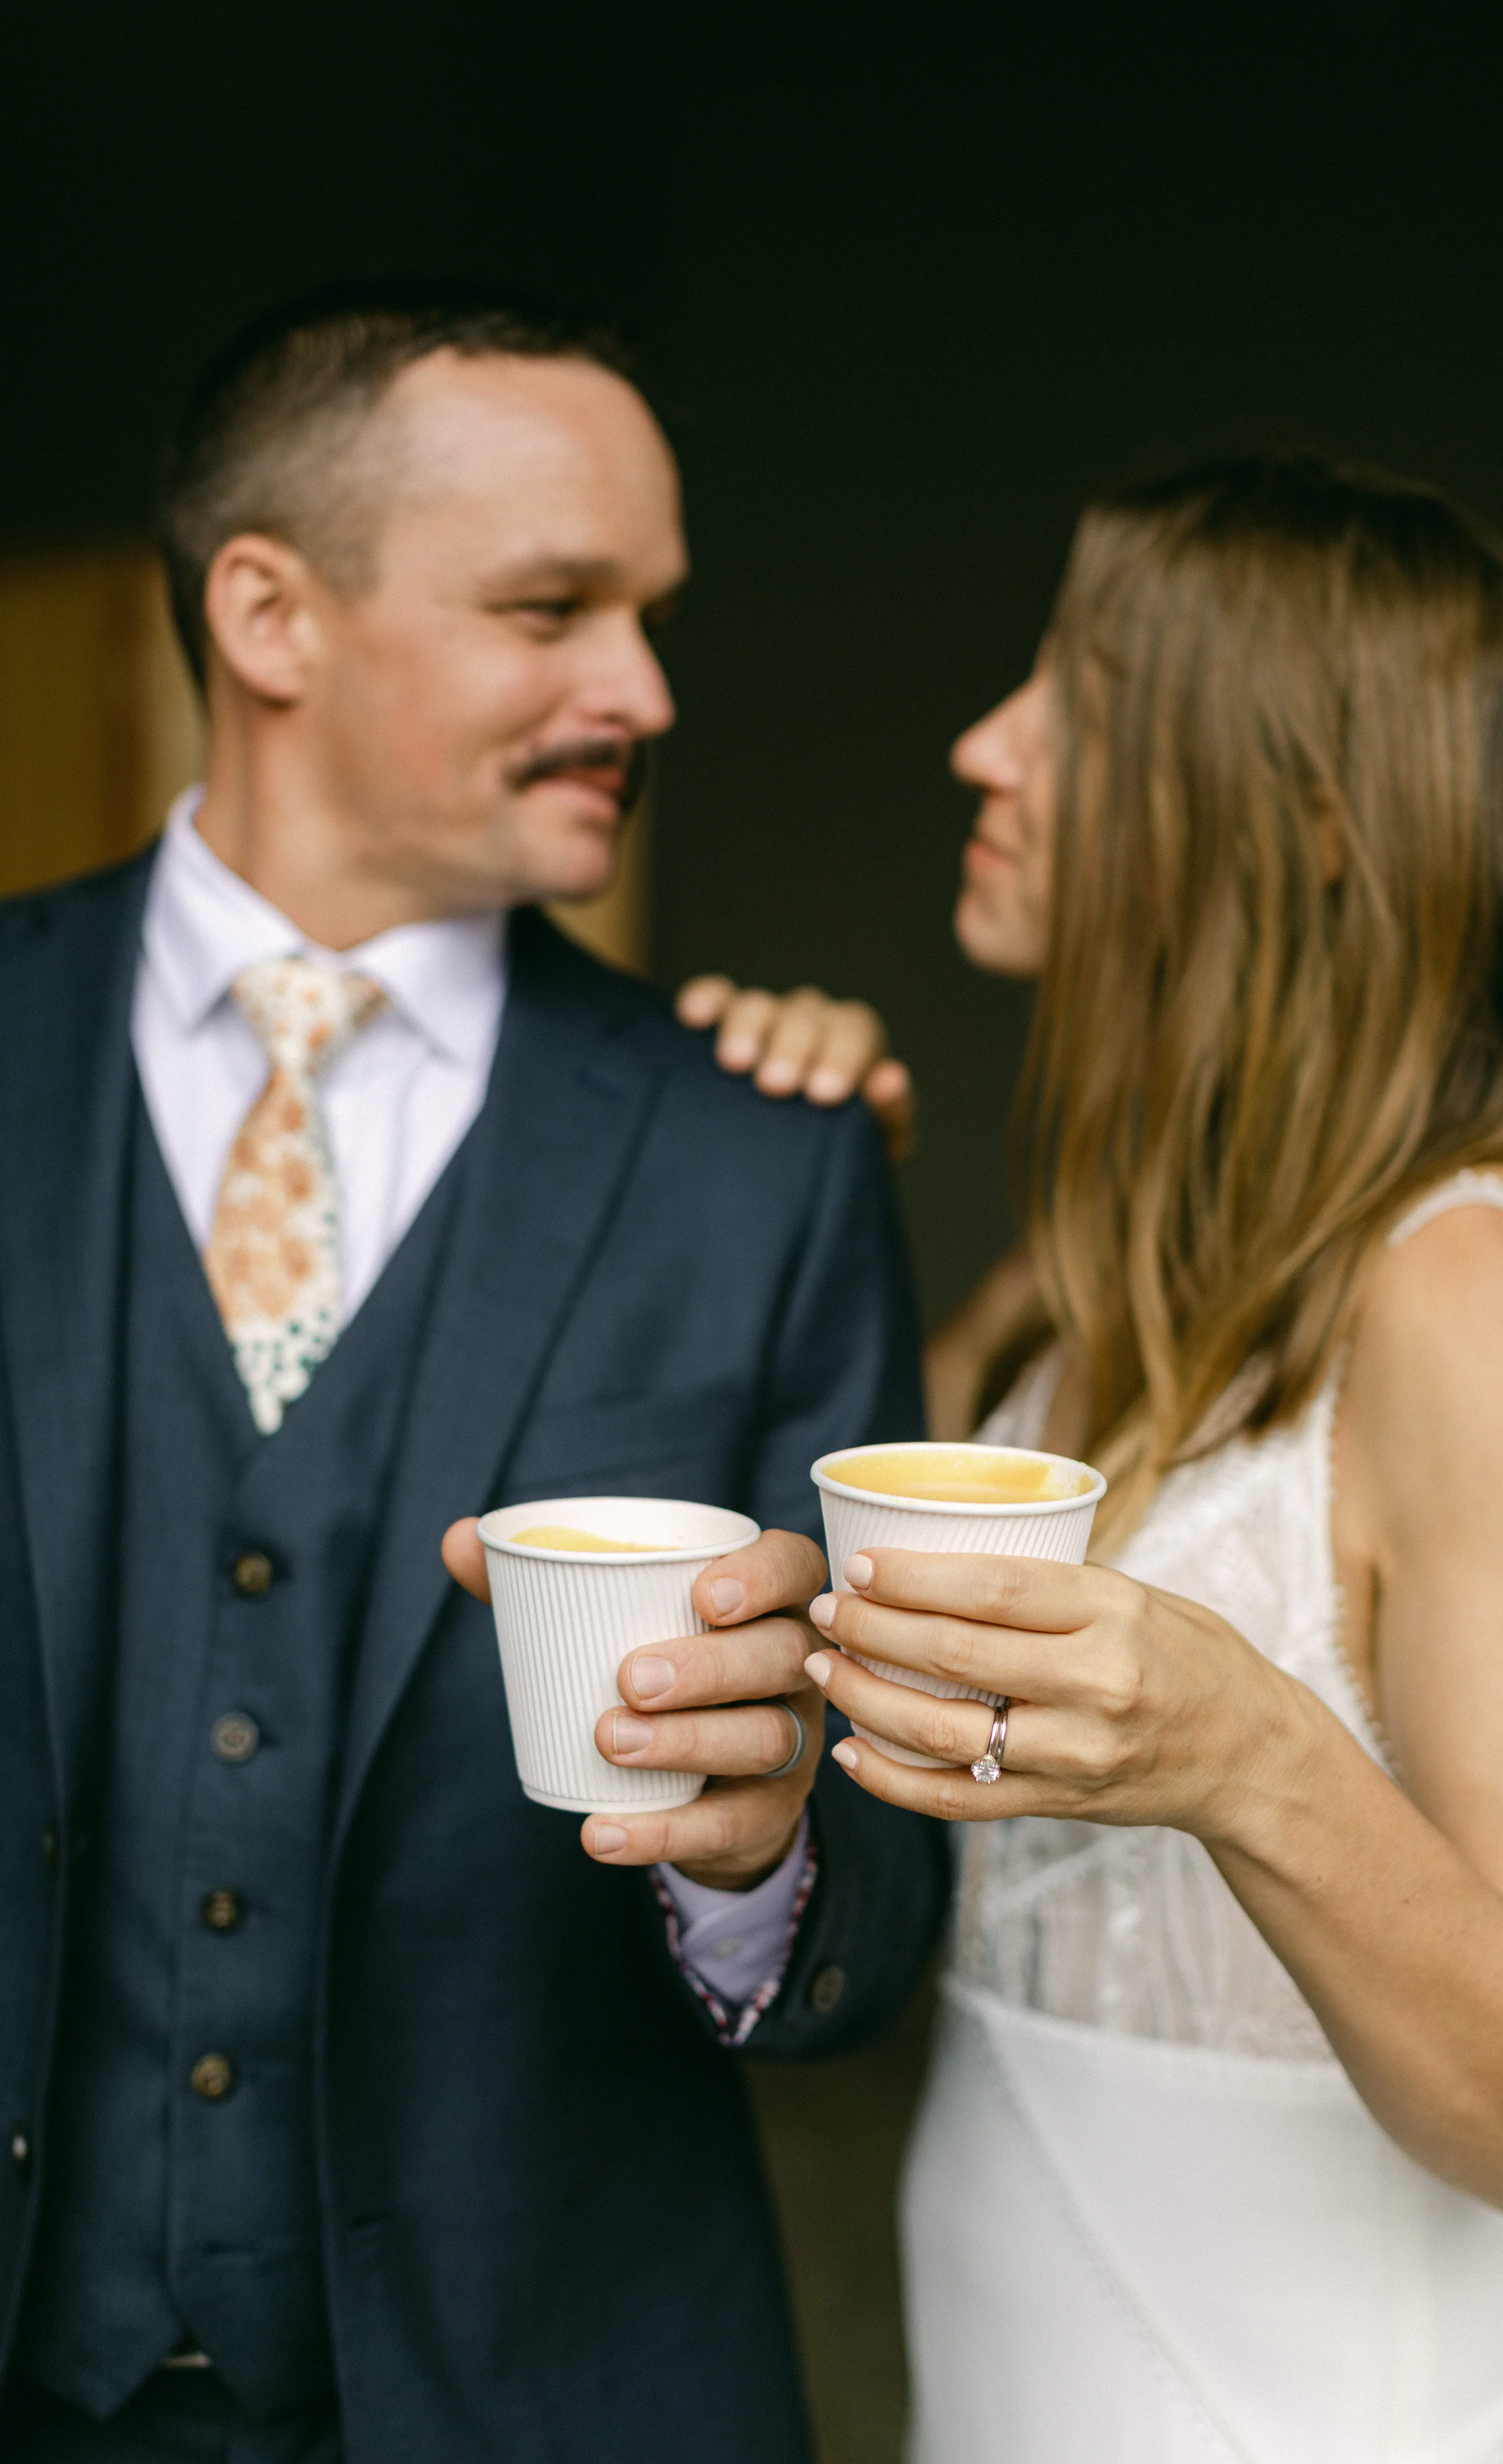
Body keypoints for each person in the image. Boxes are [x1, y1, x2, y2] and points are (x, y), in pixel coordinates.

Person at [0, 285, 947, 2463]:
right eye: (552, 606)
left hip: (552, 2398)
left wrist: (757, 1844)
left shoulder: (764, 1152)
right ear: (270, 613)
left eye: (648, 612)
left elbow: (879, 1901)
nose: (641, 688)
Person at [696, 453, 1503, 2459]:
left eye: (1075, 696)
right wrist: (771, 1183)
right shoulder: (1078, 1286)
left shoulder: (1475, 1290)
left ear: (1308, 819)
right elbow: (808, 1643)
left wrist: (1246, 1753)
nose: (983, 743)